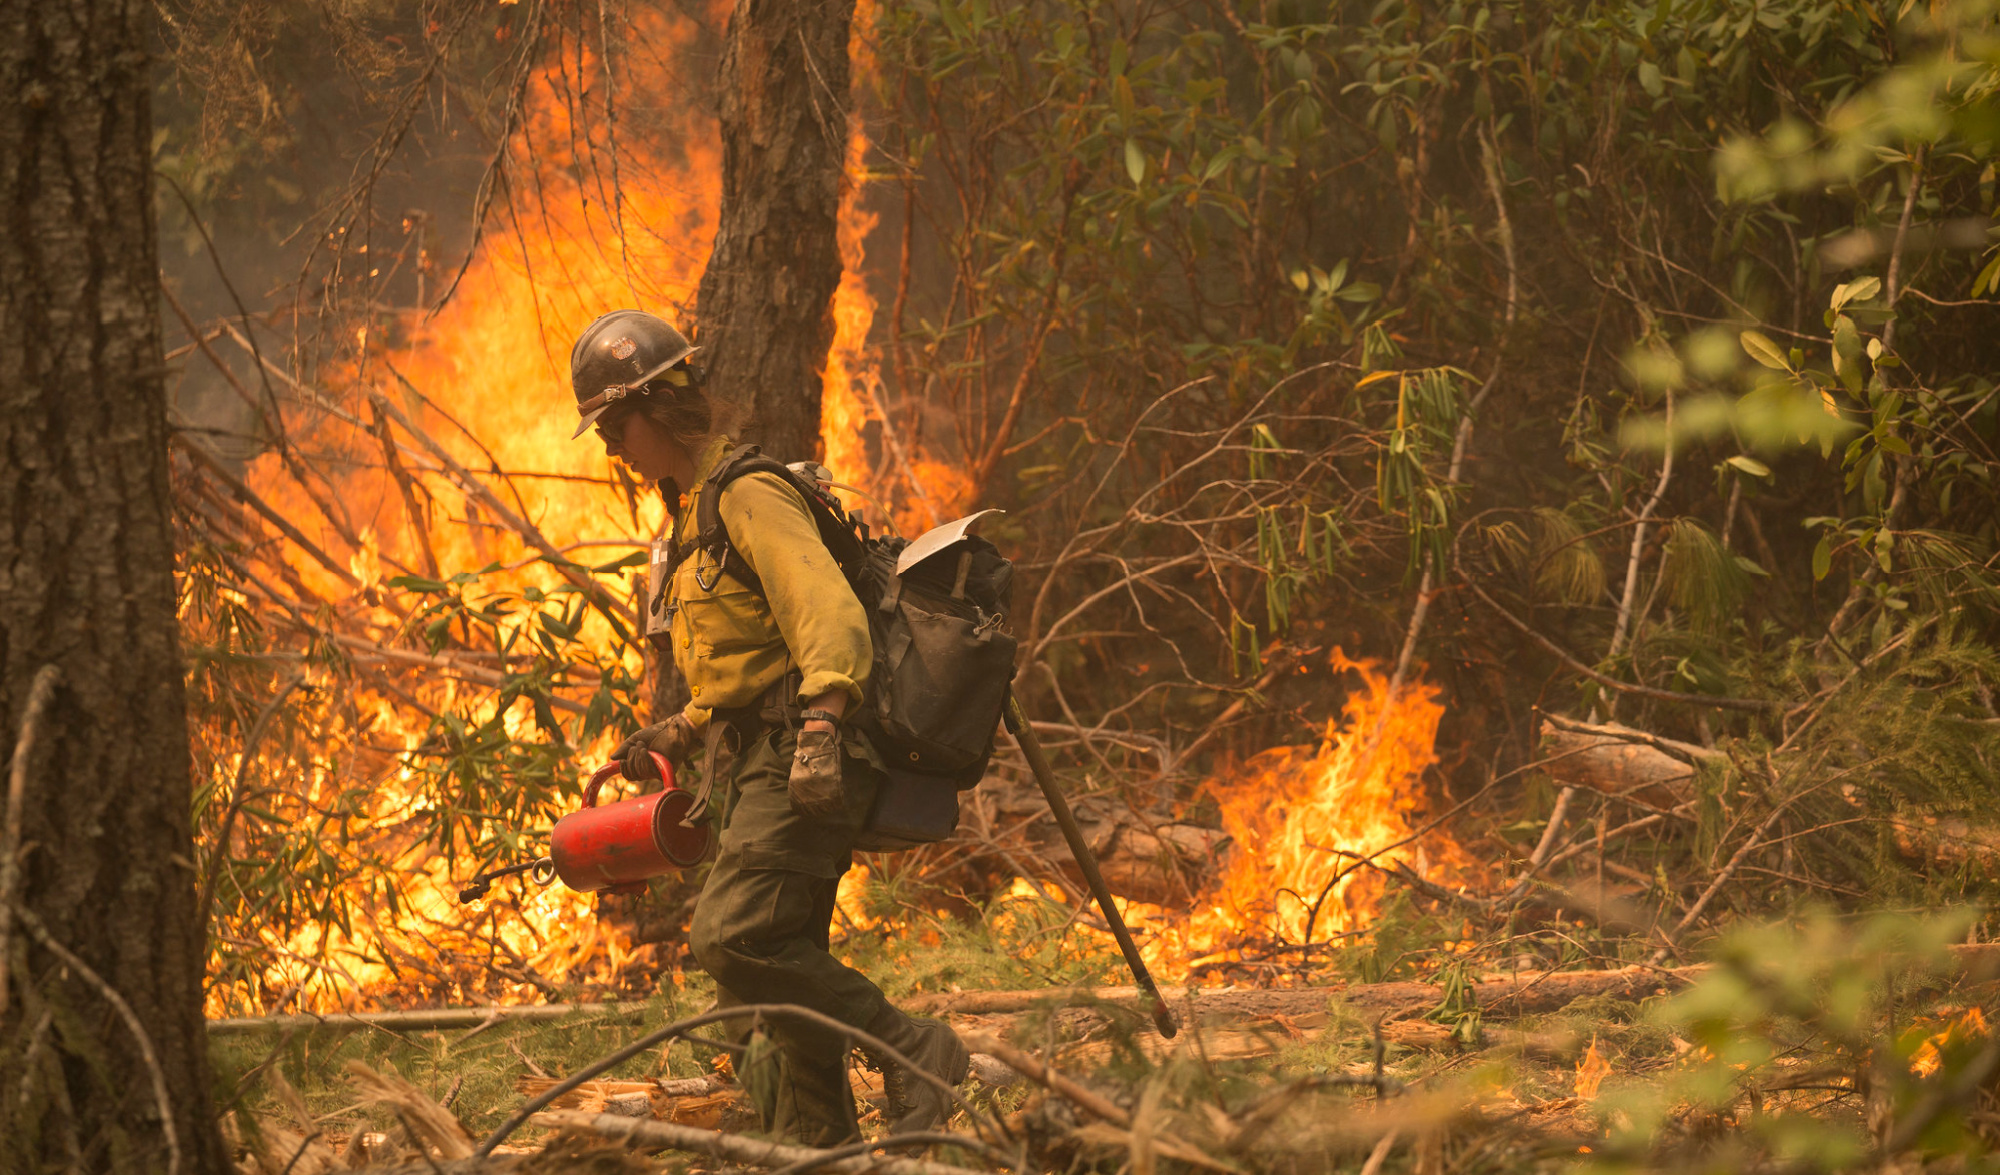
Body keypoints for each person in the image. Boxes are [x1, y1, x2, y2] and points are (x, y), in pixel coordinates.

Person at [567, 309, 970, 1145]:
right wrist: (680, 728)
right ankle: (818, 1146)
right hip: (754, 756)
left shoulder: (746, 493)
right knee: (777, 962)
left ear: (657, 406)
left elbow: (827, 616)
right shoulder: (691, 517)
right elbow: (745, 664)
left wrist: (822, 725)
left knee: (732, 936)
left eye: (614, 424)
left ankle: (915, 1050)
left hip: (804, 751)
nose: (611, 446)